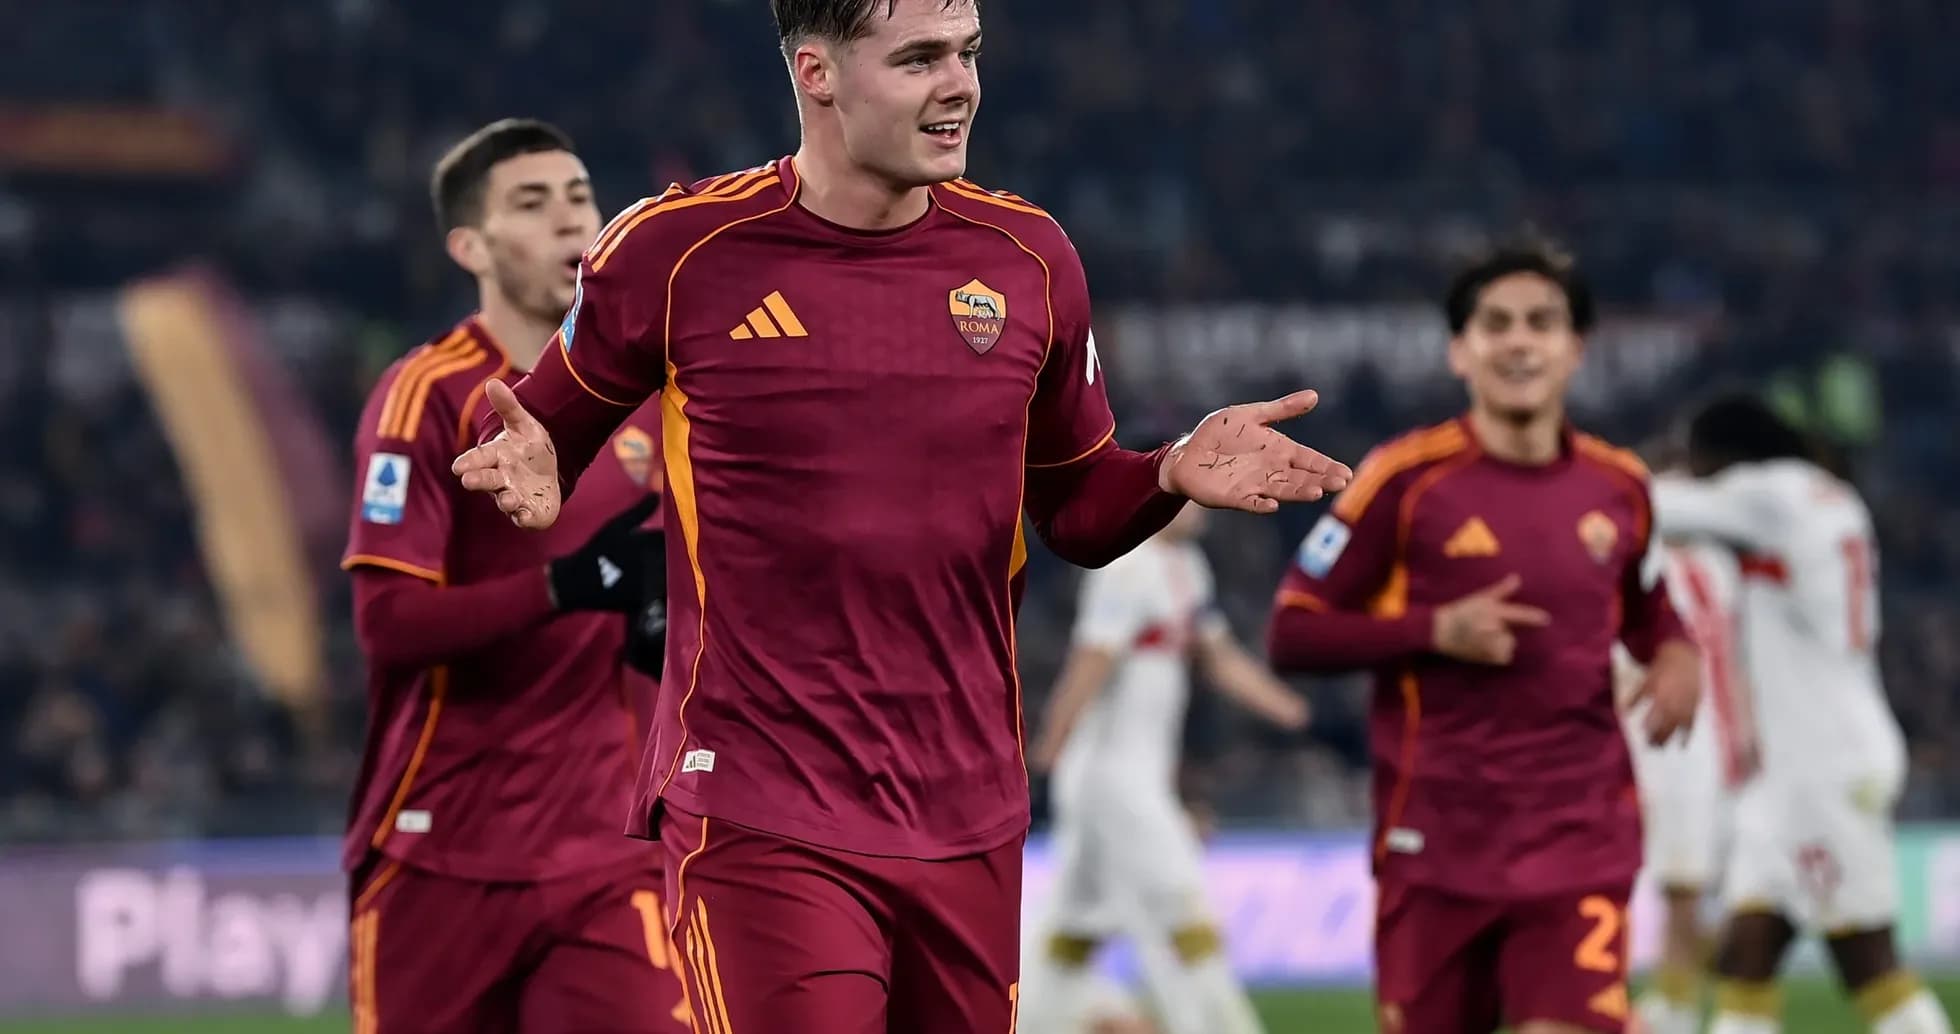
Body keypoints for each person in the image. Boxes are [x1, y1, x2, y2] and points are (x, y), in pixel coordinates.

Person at [448, 2, 1353, 1030]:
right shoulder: (678, 249)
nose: (959, 83)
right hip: (759, 800)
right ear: (817, 73)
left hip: (965, 804)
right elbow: (540, 423)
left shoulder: (1029, 258)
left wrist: (1169, 472)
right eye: (919, 58)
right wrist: (537, 466)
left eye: (967, 52)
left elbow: (1075, 508)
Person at [1264, 240, 1701, 1034]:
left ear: (1575, 350)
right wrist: (1434, 630)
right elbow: (1293, 633)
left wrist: (1677, 656)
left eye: (1541, 322)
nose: (1519, 341)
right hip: (1435, 844)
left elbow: (1652, 611)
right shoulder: (1401, 479)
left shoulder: (1622, 488)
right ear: (1460, 352)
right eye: (1495, 324)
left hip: (1579, 839)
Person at [340, 119, 686, 1034]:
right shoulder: (429, 394)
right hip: (441, 846)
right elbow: (388, 625)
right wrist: (568, 587)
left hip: (612, 852)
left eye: (579, 196)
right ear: (471, 245)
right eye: (532, 204)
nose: (570, 220)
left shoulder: (658, 396)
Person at [1653, 395, 1951, 1034]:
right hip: (1800, 768)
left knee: (1868, 963)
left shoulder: (1768, 494)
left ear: (1722, 455)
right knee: (1745, 956)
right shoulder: (1825, 494)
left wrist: (1559, 475)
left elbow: (1656, 508)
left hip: (1821, 769)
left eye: (1696, 457)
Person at [1020, 501, 1309, 1034]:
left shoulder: (1189, 568)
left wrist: (1283, 706)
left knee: (1072, 927)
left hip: (1132, 778)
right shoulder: (1125, 565)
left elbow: (1217, 656)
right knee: (1182, 908)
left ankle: (1034, 1018)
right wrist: (1050, 742)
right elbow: (1093, 657)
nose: (1202, 508)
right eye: (1191, 497)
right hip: (1110, 779)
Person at [1616, 530, 1755, 1034]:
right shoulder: (1715, 564)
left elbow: (1732, 657)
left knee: (1681, 891)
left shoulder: (1687, 561)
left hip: (1680, 744)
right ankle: (1650, 1006)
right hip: (1681, 743)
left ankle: (1668, 1011)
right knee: (1676, 892)